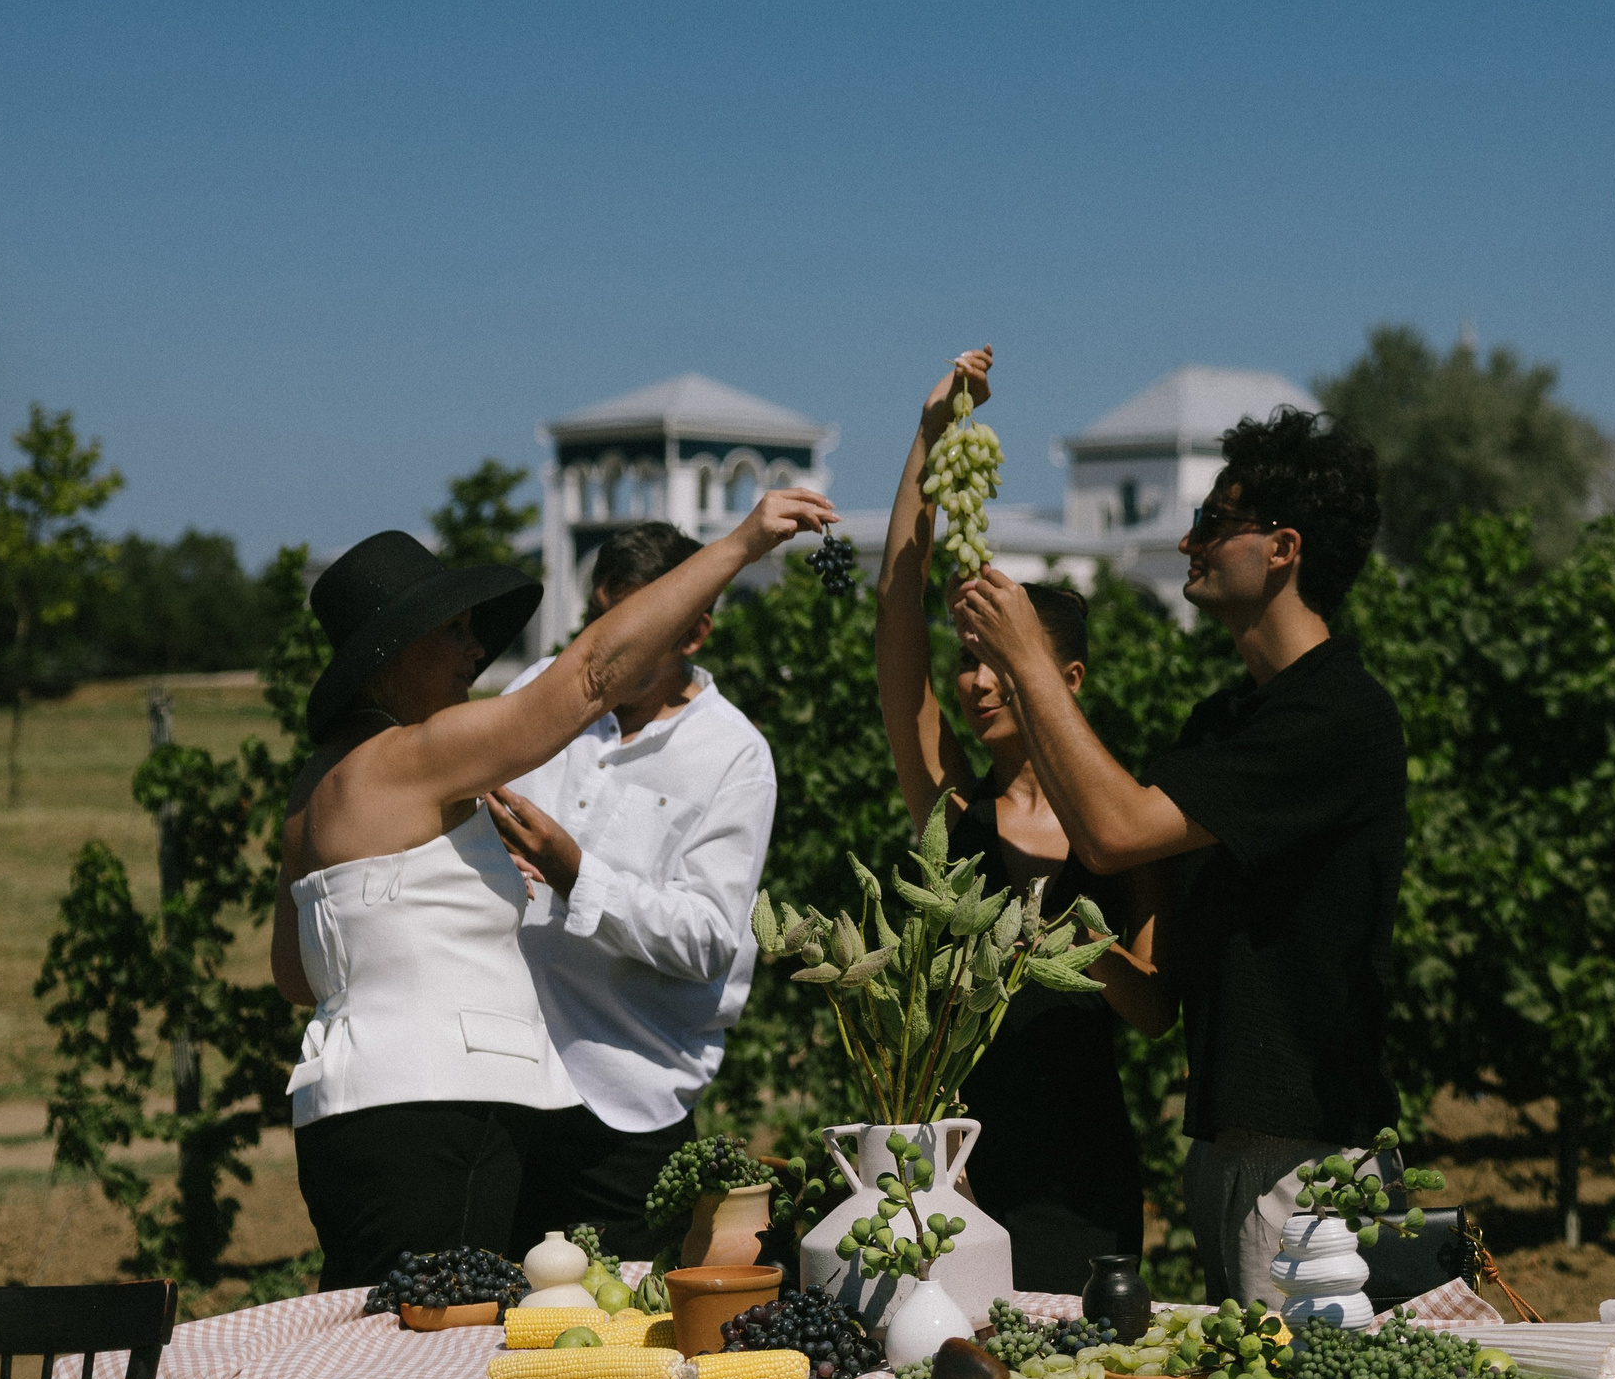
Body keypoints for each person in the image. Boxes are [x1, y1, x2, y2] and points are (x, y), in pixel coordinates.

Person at [272, 486, 834, 1290]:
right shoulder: (424, 754)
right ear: (394, 651)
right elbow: (593, 673)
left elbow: (296, 976)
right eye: (455, 632)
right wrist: (740, 545)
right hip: (440, 1111)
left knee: (374, 1327)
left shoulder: (307, 790)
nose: (476, 653)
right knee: (437, 1353)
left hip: (337, 1117)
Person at [949, 405, 1406, 1307]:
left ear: (1282, 549)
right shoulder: (1228, 723)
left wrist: (1027, 660)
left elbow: (1115, 832)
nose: (1191, 541)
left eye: (1214, 523)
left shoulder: (1339, 716)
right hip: (1227, 1145)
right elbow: (1128, 889)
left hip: (1305, 1155)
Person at [873, 347, 1174, 1293]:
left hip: (1083, 1176)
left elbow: (1158, 1009)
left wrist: (1085, 947)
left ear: (1065, 680)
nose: (974, 680)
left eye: (998, 657)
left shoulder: (1130, 821)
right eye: (968, 659)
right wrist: (929, 440)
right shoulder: (955, 810)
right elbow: (895, 635)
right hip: (957, 1168)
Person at [470, 520, 777, 1261]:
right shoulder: (542, 692)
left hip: (623, 1101)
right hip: (500, 1076)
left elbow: (707, 938)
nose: (610, 644)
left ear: (695, 631)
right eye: (602, 620)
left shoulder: (733, 755)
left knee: (625, 1342)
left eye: (637, 625)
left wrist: (578, 872)